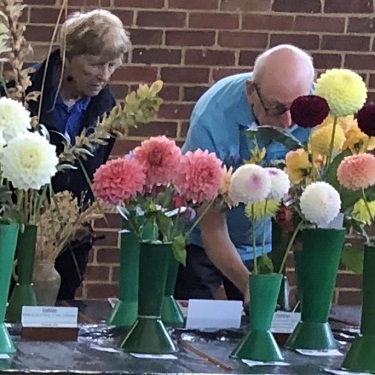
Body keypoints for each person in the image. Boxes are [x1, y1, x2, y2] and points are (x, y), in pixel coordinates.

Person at [174, 44, 315, 302]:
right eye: (277, 109)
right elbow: (212, 224)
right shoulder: (212, 118)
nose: (288, 122)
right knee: (195, 327)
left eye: (297, 108)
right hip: (200, 240)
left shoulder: (314, 112)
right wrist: (249, 286)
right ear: (252, 91)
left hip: (262, 245)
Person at [26, 9, 131, 300]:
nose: (105, 76)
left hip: (68, 244)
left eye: (113, 65)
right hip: (18, 236)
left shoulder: (106, 108)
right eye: (96, 65)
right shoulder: (23, 92)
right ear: (67, 56)